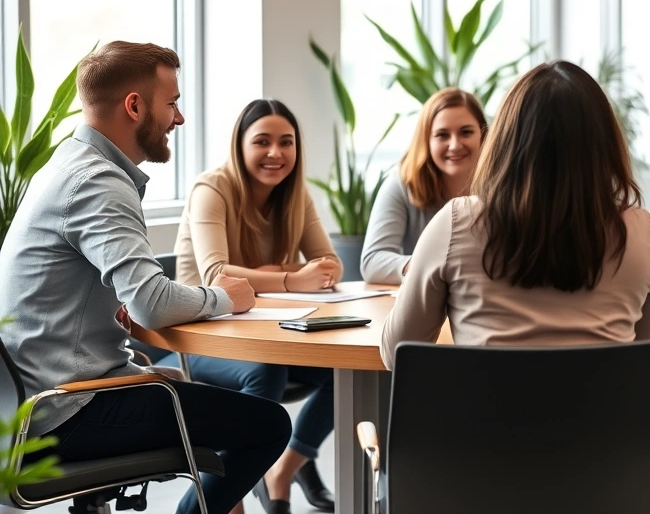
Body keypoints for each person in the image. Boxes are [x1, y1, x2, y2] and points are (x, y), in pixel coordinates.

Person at [0, 41, 291, 514]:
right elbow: (151, 304)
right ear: (134, 106)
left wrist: (133, 371)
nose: (178, 118)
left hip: (30, 408)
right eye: (172, 103)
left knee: (177, 383)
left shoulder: (64, 166)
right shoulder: (97, 182)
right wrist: (224, 297)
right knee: (269, 424)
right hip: (64, 415)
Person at [380, 60, 650, 370]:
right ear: (605, 143)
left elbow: (397, 352)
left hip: (481, 418)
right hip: (605, 418)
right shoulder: (642, 232)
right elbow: (638, 343)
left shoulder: (457, 222)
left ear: (503, 138)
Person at [171, 98, 342, 514]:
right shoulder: (211, 188)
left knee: (347, 369)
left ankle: (285, 467)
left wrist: (268, 271)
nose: (275, 153)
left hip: (265, 333)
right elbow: (215, 275)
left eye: (286, 142)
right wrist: (291, 276)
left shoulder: (296, 196)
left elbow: (330, 264)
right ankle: (220, 501)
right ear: (240, 145)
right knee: (266, 370)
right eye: (262, 141)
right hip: (197, 338)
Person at [361, 88, 487, 284]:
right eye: (442, 135)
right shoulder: (402, 184)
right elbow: (372, 261)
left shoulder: (502, 184)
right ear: (426, 141)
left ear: (483, 134)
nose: (454, 145)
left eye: (466, 132)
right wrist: (435, 268)